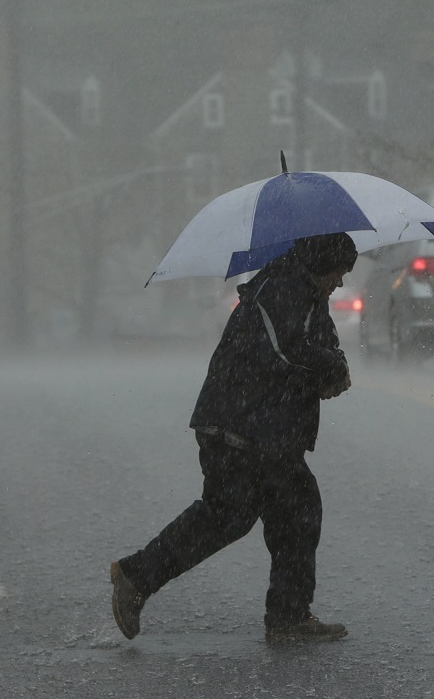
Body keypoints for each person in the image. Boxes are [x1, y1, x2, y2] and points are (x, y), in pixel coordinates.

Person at [110, 231, 358, 643]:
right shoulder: (281, 286)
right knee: (240, 514)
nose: (341, 282)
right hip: (240, 426)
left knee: (289, 512)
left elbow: (324, 345)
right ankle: (137, 576)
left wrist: (336, 369)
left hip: (264, 431)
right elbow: (286, 348)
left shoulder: (307, 292)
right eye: (338, 272)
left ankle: (287, 618)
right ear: (322, 263)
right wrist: (327, 368)